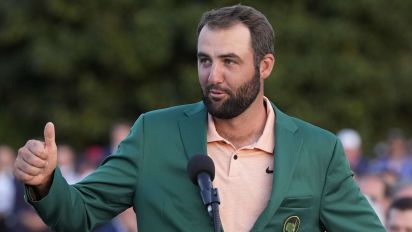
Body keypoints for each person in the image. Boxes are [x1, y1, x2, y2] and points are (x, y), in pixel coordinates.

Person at [13, 4, 385, 232]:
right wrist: (45, 182)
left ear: (265, 65)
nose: (213, 76)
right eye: (204, 60)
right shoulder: (153, 134)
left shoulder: (319, 150)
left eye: (229, 61)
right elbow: (77, 216)